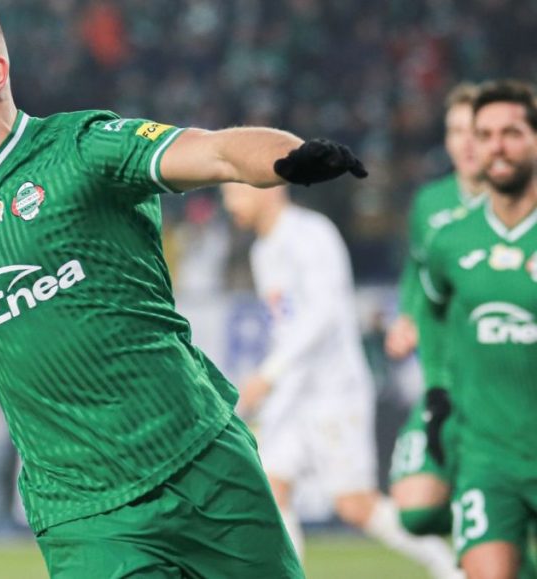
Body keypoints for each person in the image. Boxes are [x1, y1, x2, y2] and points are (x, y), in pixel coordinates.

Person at [0, 2, 367, 577]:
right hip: (85, 520)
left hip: (206, 467)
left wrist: (287, 158)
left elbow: (213, 150)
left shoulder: (85, 148)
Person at [220, 181, 460, 578]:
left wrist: (269, 373)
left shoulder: (310, 234)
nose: (230, 203)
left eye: (236, 192)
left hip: (334, 391)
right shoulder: (263, 250)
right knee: (271, 488)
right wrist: (273, 380)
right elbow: (288, 326)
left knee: (355, 505)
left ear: (270, 188)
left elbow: (325, 313)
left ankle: (451, 567)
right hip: (294, 394)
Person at [417, 79, 537, 579]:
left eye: (511, 133)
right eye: (484, 135)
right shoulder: (449, 240)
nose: (495, 147)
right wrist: (437, 389)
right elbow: (430, 312)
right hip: (487, 458)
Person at [385, 83, 487, 538]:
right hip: (442, 382)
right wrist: (407, 316)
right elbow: (417, 269)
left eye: (477, 132)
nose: (466, 143)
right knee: (415, 509)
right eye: (456, 131)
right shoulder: (431, 202)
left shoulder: (517, 204)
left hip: (500, 383)